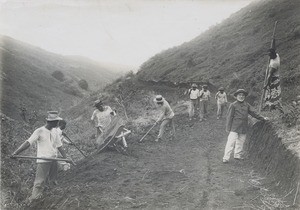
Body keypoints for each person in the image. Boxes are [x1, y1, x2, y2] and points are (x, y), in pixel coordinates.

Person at [11, 111, 69, 203]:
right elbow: (28, 142)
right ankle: (34, 201)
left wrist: (66, 159)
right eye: (56, 121)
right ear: (51, 122)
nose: (58, 123)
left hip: (54, 159)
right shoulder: (39, 131)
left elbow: (60, 146)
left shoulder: (55, 131)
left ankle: (51, 201)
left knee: (53, 181)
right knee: (39, 183)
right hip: (43, 161)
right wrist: (16, 152)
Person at [223, 89, 268, 163]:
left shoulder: (247, 105)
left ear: (244, 97)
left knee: (241, 141)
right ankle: (226, 157)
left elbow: (253, 113)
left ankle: (237, 155)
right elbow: (229, 117)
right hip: (234, 127)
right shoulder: (233, 105)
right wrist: (228, 127)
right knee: (231, 142)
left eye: (243, 95)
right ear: (236, 96)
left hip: (243, 127)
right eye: (239, 95)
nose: (241, 96)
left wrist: (262, 118)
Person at [263, 48, 284, 113]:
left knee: (274, 95)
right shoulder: (277, 55)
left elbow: (269, 75)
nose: (269, 56)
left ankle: (279, 110)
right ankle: (271, 108)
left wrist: (266, 84)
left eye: (270, 55)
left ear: (273, 54)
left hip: (273, 80)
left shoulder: (274, 64)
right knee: (272, 95)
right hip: (276, 78)